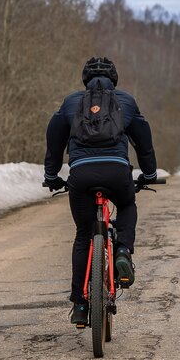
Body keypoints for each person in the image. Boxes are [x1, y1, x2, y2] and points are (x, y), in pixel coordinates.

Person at [43, 57, 159, 328]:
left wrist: (51, 176)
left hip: (81, 173)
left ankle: (80, 305)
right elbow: (144, 141)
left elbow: (54, 142)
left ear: (84, 80)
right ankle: (123, 251)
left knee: (84, 234)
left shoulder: (71, 102)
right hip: (116, 170)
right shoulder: (126, 101)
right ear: (114, 79)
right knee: (127, 205)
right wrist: (149, 173)